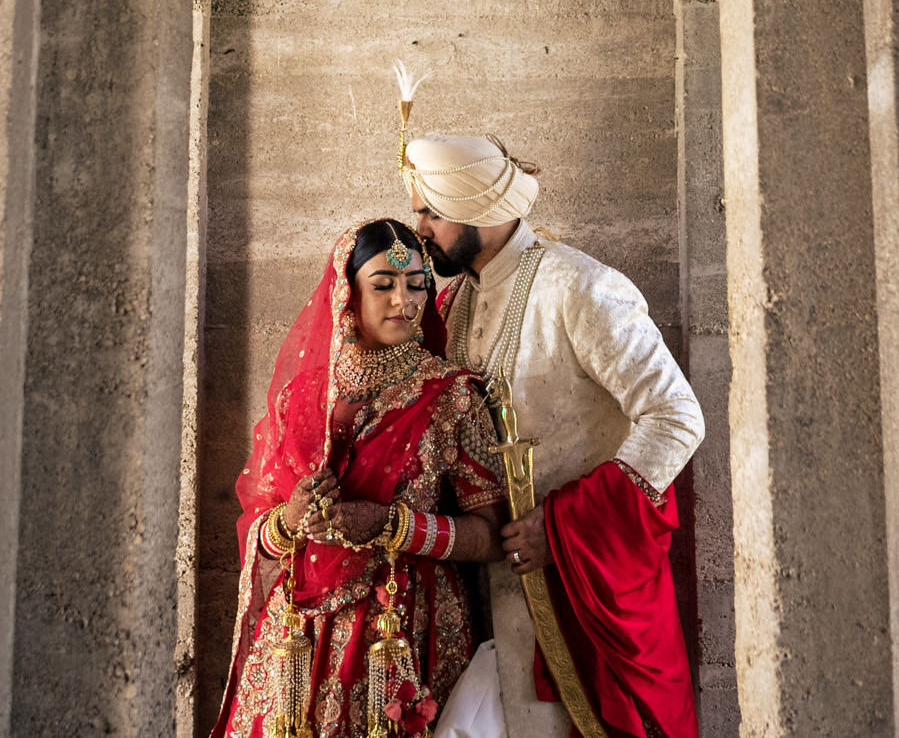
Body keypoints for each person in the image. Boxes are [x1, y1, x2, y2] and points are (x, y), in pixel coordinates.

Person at [401, 132, 706, 738]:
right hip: (490, 596)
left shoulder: (578, 286)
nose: (420, 228)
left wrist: (564, 524)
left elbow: (676, 417)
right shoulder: (457, 301)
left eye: (431, 211)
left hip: (587, 590)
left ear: (476, 210)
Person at [211, 218, 506, 738]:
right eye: (383, 285)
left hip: (402, 630)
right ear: (348, 292)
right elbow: (260, 525)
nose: (404, 301)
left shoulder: (452, 397)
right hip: (295, 641)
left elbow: (488, 534)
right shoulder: (297, 399)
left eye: (417, 284)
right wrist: (288, 520)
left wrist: (393, 525)